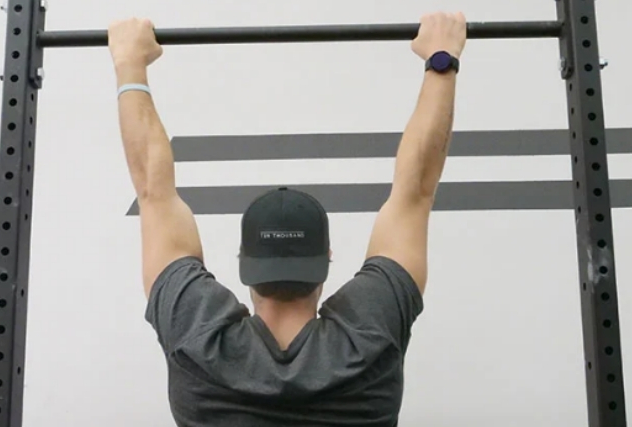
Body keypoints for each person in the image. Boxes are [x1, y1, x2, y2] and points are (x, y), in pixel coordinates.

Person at [108, 11, 466, 427]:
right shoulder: (370, 337)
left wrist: (129, 63)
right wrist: (441, 59)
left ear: (244, 261)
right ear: (326, 258)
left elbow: (153, 190)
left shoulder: (198, 337)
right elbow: (416, 191)